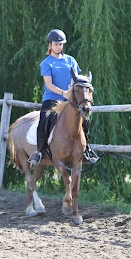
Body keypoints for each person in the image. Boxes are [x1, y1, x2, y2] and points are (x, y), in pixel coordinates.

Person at [28, 29, 99, 166]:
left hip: (70, 100)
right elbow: (49, 85)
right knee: (44, 121)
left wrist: (82, 88)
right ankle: (40, 152)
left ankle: (86, 150)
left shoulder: (70, 60)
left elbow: (78, 78)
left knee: (84, 120)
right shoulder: (46, 63)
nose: (59, 47)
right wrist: (64, 93)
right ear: (50, 45)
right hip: (51, 99)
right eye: (56, 44)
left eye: (61, 44)